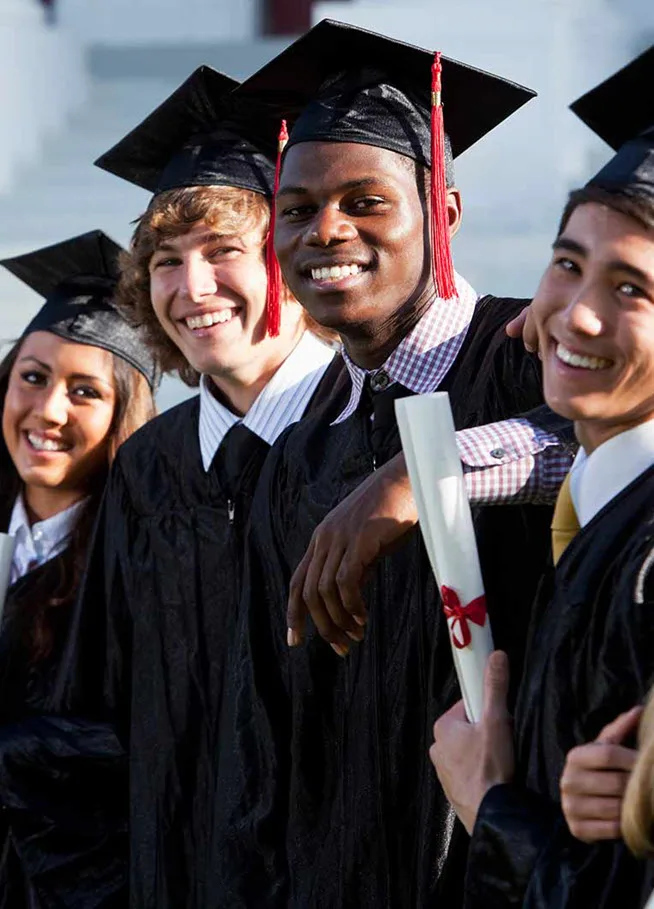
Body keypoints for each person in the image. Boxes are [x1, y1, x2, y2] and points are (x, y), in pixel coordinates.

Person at [213, 20, 573, 908]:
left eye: (365, 201)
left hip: (510, 869)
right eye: (297, 210)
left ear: (441, 213)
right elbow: (263, 736)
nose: (326, 230)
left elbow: (612, 448)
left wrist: (426, 472)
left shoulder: (535, 350)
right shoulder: (297, 451)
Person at [54, 66, 344, 909]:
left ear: (292, 258)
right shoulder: (150, 468)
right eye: (168, 262)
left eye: (224, 252)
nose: (192, 288)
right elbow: (99, 709)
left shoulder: (375, 443)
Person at [430, 43, 654, 908]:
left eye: (631, 288)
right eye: (568, 263)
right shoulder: (599, 510)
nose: (577, 312)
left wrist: (490, 803)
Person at [0, 229, 157, 906]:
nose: (49, 410)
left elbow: (139, 751)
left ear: (124, 419)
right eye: (32, 377)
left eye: (85, 390)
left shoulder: (143, 569)